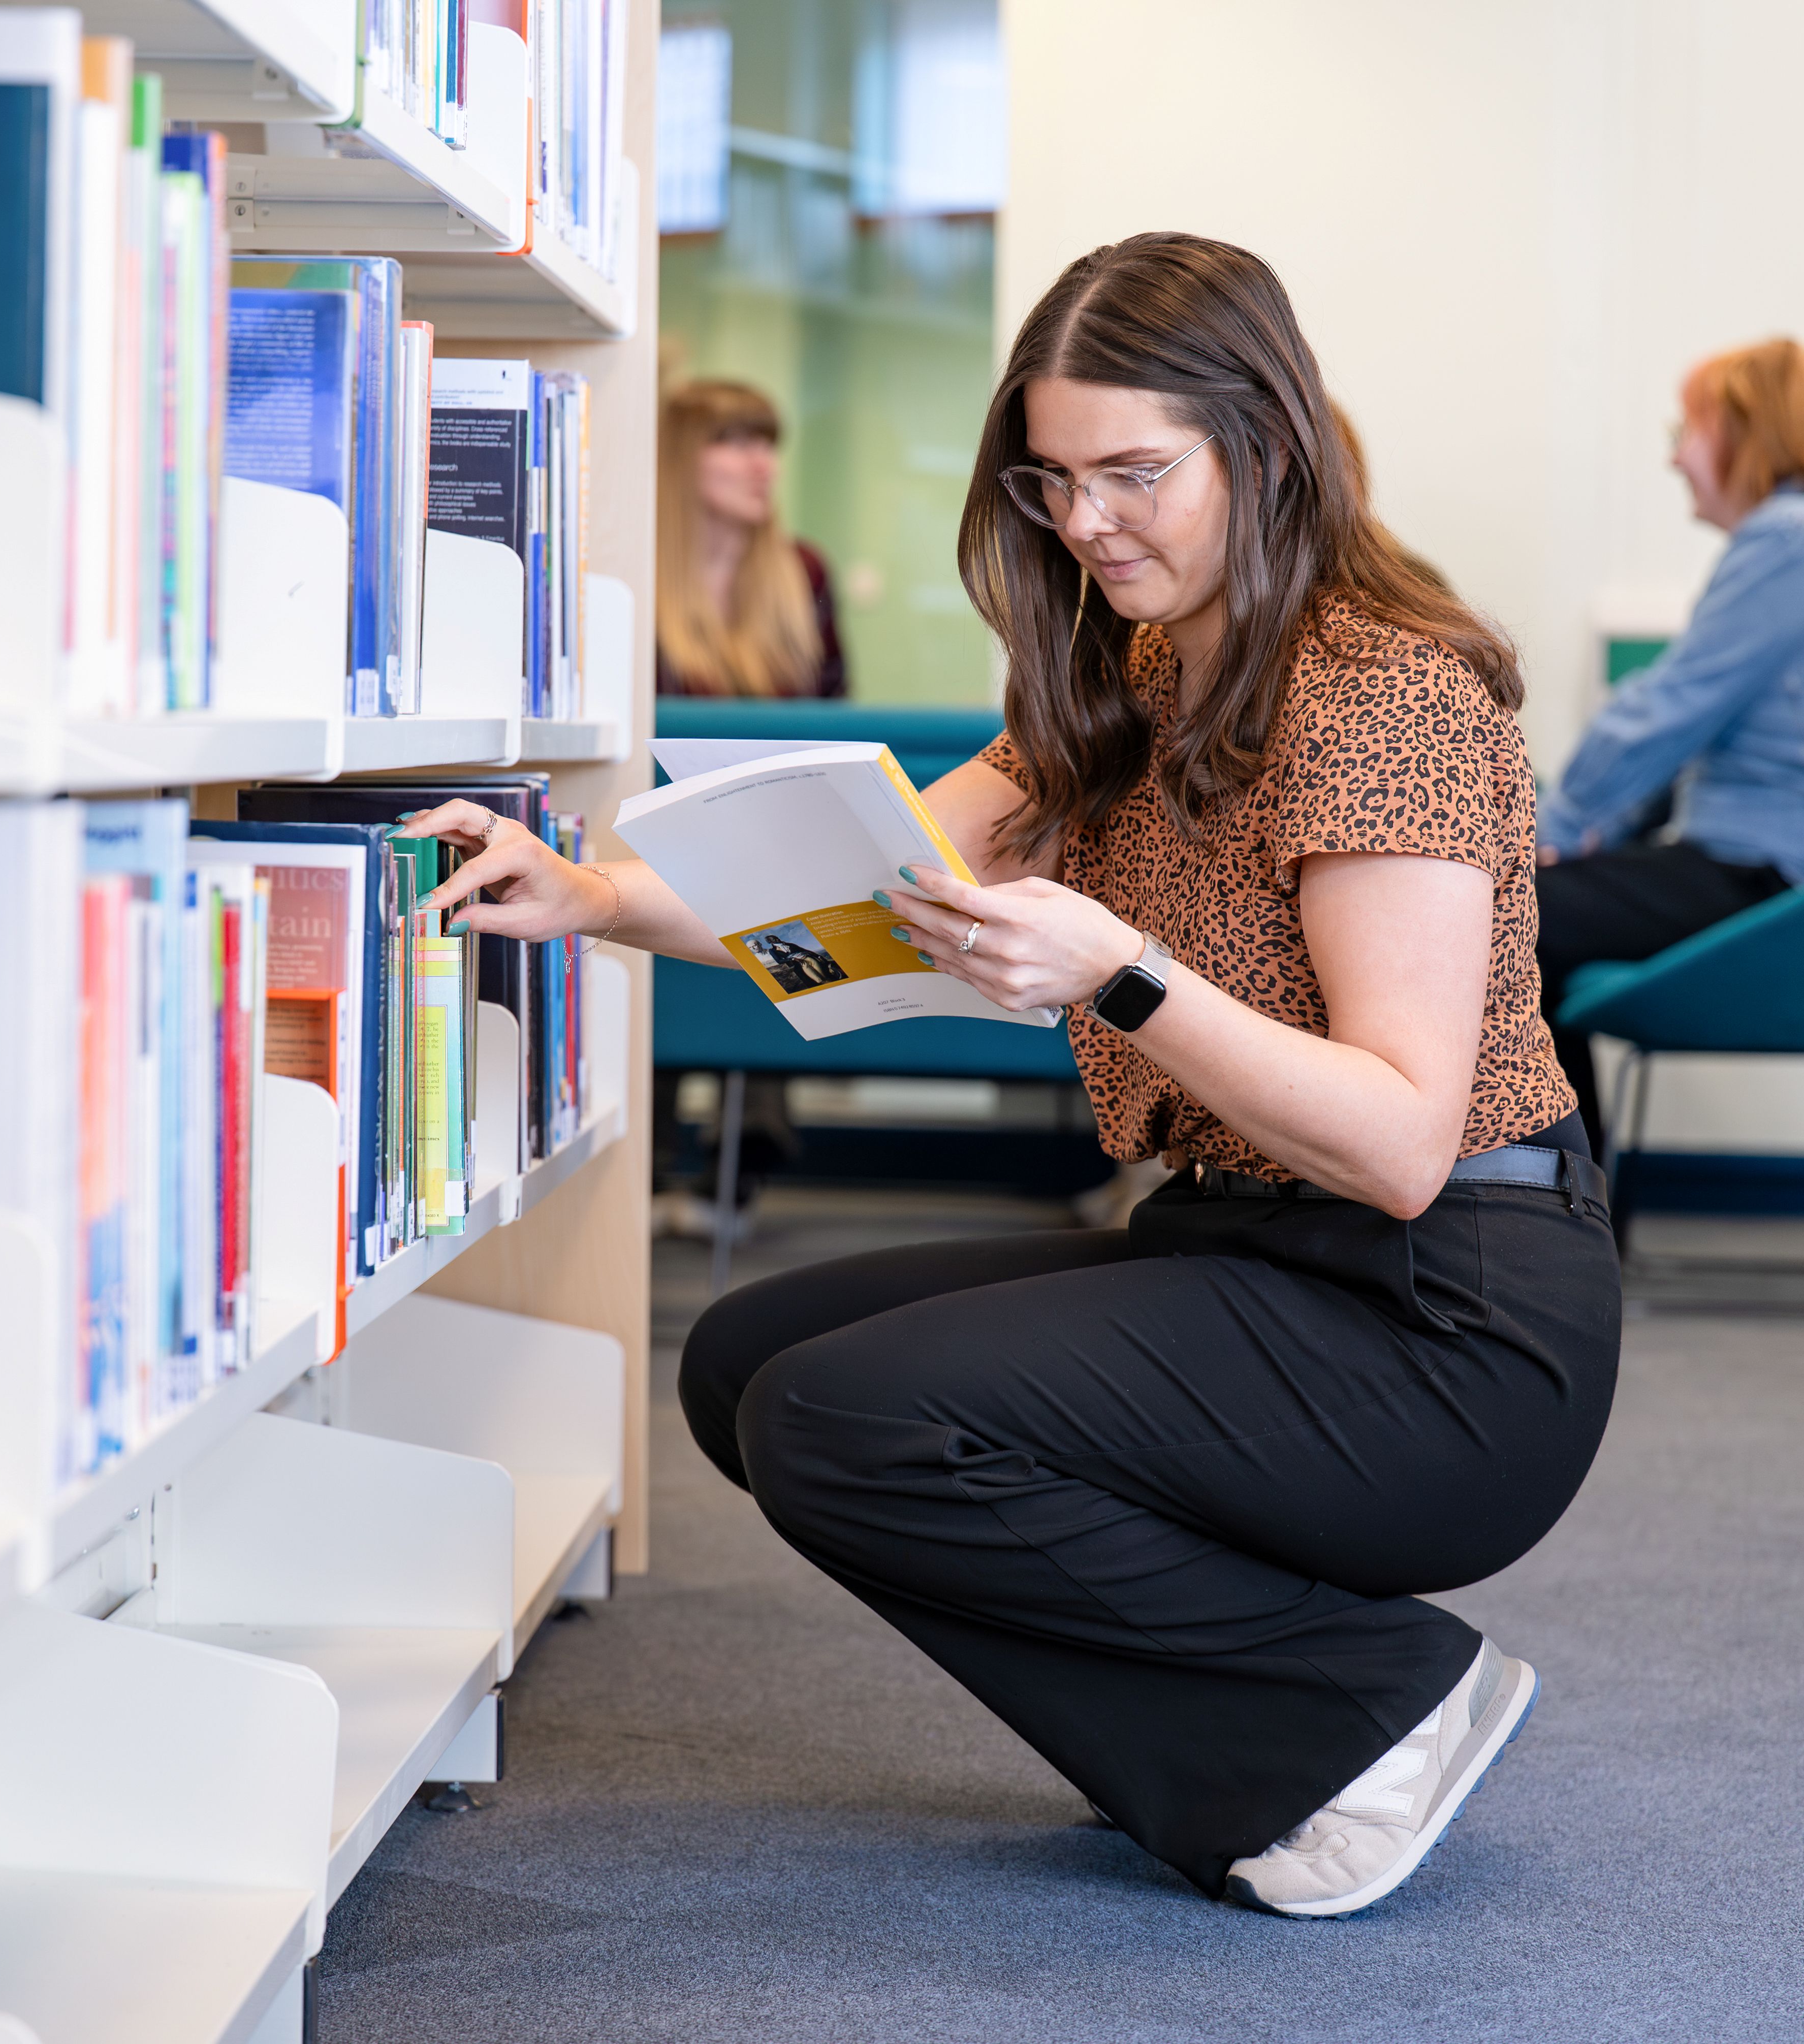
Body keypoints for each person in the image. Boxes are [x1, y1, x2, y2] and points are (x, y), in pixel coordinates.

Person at [400, 233, 1621, 1919]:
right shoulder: (1137, 663)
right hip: (1244, 1244)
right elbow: (878, 874)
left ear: (1260, 447)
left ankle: (1353, 1711)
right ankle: (1273, 1722)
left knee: (847, 1418)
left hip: (1444, 1321)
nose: (1088, 522)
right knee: (749, 1357)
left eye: (1134, 474)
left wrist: (1115, 974)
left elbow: (1401, 1139)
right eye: (1052, 481)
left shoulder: (1380, 692)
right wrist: (594, 895)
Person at [1536, 339, 1804, 1151]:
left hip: (1796, 882)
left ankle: (1556, 1236)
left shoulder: (1795, 539)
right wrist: (1583, 837)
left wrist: (1548, 837)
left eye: (1687, 428)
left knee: (1507, 913)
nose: (1673, 457)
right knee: (1524, 905)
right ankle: (1558, 1224)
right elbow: (1693, 728)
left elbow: (1669, 710)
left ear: (1748, 433)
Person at [655, 378, 848, 697]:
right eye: (740, 444)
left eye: (769, 446)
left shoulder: (805, 570)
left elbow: (834, 710)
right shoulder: (639, 577)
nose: (766, 467)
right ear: (681, 457)